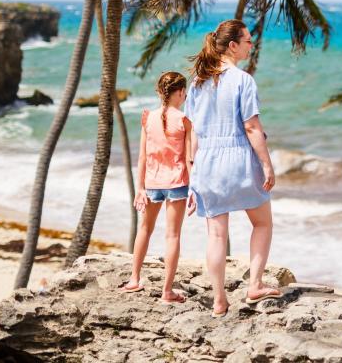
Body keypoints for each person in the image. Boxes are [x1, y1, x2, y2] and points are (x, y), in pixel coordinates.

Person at [186, 19, 278, 318]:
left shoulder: (197, 83)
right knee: (262, 223)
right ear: (233, 46)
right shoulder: (243, 80)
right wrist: (266, 164)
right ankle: (255, 284)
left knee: (215, 236)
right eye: (248, 41)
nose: (252, 45)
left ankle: (219, 300)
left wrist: (192, 178)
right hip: (238, 160)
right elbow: (251, 127)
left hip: (206, 164)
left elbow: (193, 134)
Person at [119, 71, 193, 303]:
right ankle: (167, 291)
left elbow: (142, 157)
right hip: (177, 183)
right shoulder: (184, 120)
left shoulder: (147, 117)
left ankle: (134, 279)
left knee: (145, 229)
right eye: (185, 92)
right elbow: (189, 159)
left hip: (151, 183)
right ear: (179, 92)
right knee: (172, 235)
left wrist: (140, 187)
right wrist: (194, 190)